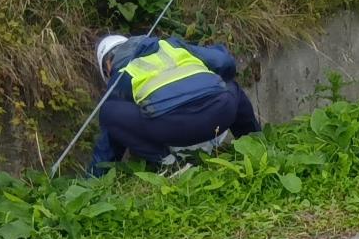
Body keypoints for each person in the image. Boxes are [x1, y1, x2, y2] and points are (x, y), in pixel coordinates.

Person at [89, 33, 262, 175]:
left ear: (108, 66)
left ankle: (168, 163)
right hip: (220, 114)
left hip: (174, 128)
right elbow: (225, 62)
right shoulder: (170, 46)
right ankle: (256, 144)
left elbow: (113, 136)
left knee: (109, 112)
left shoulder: (120, 74)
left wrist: (93, 180)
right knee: (231, 87)